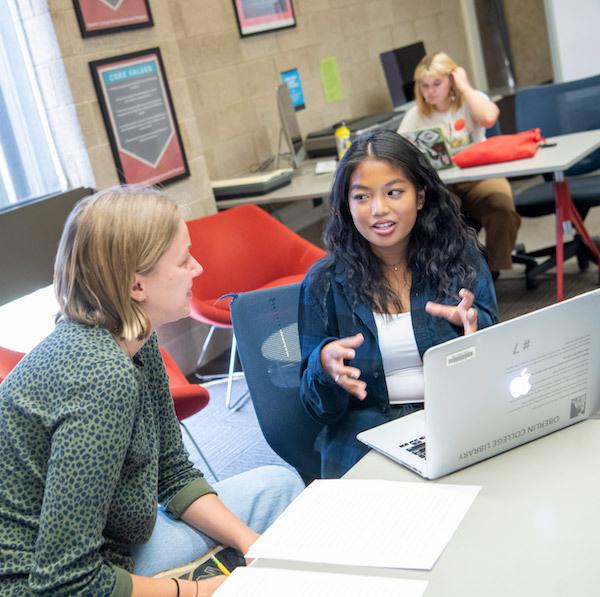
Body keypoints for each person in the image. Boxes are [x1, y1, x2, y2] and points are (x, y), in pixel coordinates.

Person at [0, 188, 304, 596]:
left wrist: (254, 546)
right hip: (40, 583)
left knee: (278, 484)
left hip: (115, 540)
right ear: (136, 285)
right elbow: (65, 580)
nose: (198, 268)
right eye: (183, 260)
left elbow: (172, 472)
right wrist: (200, 591)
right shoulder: (99, 377)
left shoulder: (136, 342)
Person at [299, 129, 499, 478]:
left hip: (456, 418)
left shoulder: (459, 256)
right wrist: (324, 367)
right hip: (368, 437)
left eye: (394, 192)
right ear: (346, 204)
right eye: (361, 197)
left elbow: (501, 356)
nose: (379, 210)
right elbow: (319, 411)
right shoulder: (324, 282)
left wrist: (474, 327)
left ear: (420, 197)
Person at [398, 51, 521, 278]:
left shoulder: (470, 100)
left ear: (451, 81)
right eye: (424, 85)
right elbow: (399, 150)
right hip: (442, 185)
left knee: (501, 206)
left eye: (436, 83)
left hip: (479, 177)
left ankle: (492, 271)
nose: (430, 91)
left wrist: (464, 86)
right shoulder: (415, 115)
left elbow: (488, 119)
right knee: (440, 215)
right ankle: (456, 274)